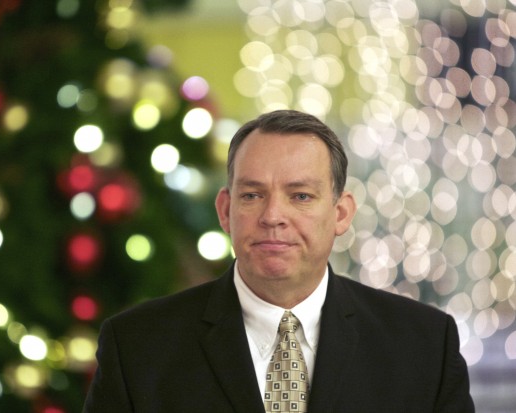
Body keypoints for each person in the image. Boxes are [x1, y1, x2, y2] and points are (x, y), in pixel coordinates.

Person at [82, 110, 475, 412]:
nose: (272, 216)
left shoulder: (423, 345)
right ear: (225, 210)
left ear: (341, 213)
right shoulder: (137, 347)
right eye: (252, 195)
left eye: (300, 196)